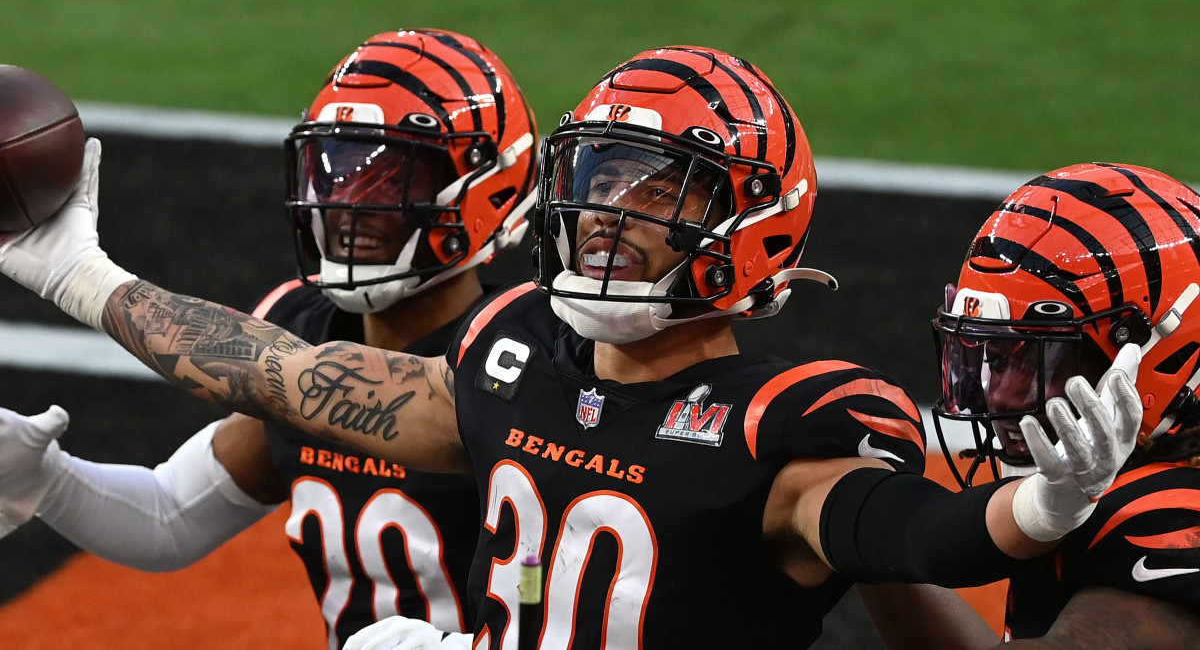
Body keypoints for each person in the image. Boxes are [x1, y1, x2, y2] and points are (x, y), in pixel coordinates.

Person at [0, 46, 1139, 649]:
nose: (604, 215)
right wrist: (83, 283)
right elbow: (282, 377)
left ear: (753, 228)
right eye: (595, 177)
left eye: (654, 193)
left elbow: (921, 534)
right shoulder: (509, 357)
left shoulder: (782, 421)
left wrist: (1036, 510)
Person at [0, 28, 537, 650]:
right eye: (332, 170)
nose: (346, 204)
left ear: (490, 188)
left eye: (392, 179)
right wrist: (50, 480)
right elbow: (169, 518)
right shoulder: (303, 327)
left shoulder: (524, 366)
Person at [930, 162, 1200, 648]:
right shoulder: (1127, 483)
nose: (1001, 395)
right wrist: (875, 547)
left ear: (1159, 355)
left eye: (1045, 360)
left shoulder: (1173, 513)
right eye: (996, 358)